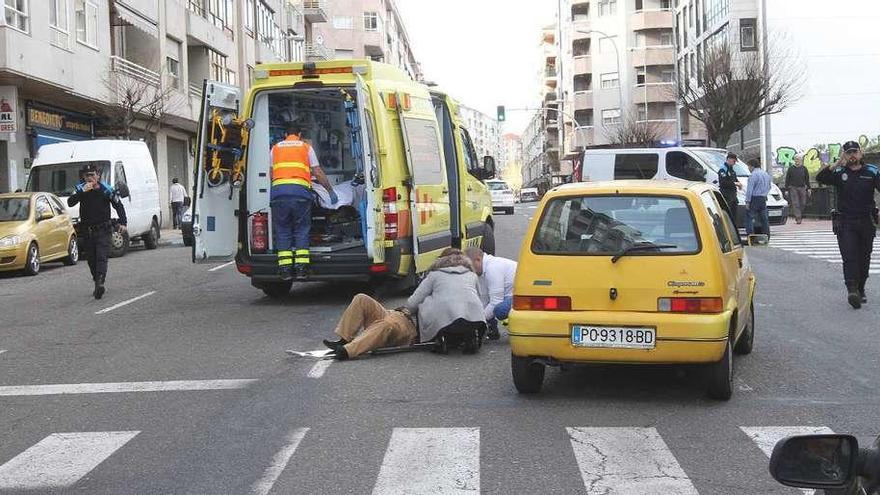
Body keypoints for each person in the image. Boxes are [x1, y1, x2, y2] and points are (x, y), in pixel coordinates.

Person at [321, 249, 485, 360]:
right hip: (400, 315)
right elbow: (480, 300)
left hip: (408, 324)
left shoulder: (435, 275)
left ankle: (348, 350)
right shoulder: (470, 276)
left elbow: (413, 301)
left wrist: (407, 310)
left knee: (384, 324)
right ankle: (344, 338)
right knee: (361, 298)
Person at [816, 140, 880, 309]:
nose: (852, 155)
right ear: (845, 154)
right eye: (849, 152)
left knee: (864, 257)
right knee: (850, 256)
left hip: (867, 220)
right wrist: (837, 162)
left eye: (855, 152)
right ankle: (852, 290)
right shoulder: (839, 172)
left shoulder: (872, 171)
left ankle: (861, 288)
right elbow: (820, 177)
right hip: (846, 221)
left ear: (861, 153)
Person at [270, 120, 337, 281]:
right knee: (301, 229)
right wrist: (330, 190)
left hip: (279, 194)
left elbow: (272, 173)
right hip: (300, 193)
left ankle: (285, 270)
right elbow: (318, 172)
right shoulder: (305, 147)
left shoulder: (275, 148)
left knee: (283, 230)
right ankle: (301, 269)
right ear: (299, 135)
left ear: (285, 135)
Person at [67, 163, 127, 300]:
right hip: (87, 231)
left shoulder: (106, 189)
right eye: (87, 176)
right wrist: (82, 192)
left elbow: (118, 205)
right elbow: (70, 202)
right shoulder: (80, 189)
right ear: (83, 177)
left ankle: (100, 282)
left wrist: (123, 222)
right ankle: (97, 280)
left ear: (98, 176)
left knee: (101, 257)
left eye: (92, 175)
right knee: (91, 259)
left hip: (103, 229)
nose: (90, 178)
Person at [464, 247, 517, 340]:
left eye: (469, 266)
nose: (468, 270)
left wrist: (476, 323)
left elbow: (495, 302)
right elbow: (484, 299)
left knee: (500, 310)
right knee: (487, 306)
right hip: (510, 294)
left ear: (478, 260)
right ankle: (491, 330)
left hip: (522, 294)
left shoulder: (493, 268)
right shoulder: (481, 270)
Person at [745, 158, 771, 238]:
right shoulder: (765, 174)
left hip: (754, 198)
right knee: (764, 218)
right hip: (763, 198)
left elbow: (750, 189)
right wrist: (765, 194)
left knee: (749, 217)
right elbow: (769, 186)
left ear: (752, 166)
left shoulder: (753, 175)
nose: (748, 169)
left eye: (748, 167)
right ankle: (766, 234)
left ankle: (751, 235)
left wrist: (747, 201)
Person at [785, 154, 811, 224]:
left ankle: (799, 215)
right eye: (796, 159)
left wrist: (809, 188)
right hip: (793, 188)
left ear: (801, 160)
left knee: (803, 202)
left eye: (799, 159)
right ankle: (798, 218)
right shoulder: (791, 169)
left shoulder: (804, 168)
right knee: (795, 203)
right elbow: (787, 179)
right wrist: (786, 190)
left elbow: (807, 179)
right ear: (794, 160)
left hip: (802, 187)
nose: (797, 160)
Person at [718, 152, 742, 224]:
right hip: (726, 195)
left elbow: (735, 179)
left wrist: (739, 183)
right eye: (734, 161)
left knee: (734, 215)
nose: (734, 163)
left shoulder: (732, 170)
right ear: (729, 159)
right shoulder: (723, 169)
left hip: (733, 196)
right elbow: (723, 182)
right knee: (728, 215)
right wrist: (735, 183)